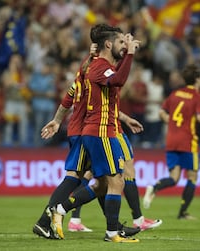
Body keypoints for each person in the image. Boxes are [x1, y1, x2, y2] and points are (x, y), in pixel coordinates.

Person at [32, 40, 140, 240]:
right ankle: (47, 219)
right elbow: (113, 81)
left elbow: (68, 98)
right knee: (80, 177)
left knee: (101, 180)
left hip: (81, 129)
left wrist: (57, 121)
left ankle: (113, 226)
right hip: (86, 131)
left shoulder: (84, 73)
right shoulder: (95, 70)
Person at [143, 64, 200, 219]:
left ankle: (154, 187)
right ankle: (182, 212)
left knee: (174, 178)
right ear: (197, 79)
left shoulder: (175, 94)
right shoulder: (198, 97)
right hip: (188, 142)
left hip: (171, 140)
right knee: (192, 177)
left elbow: (162, 111)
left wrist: (169, 121)